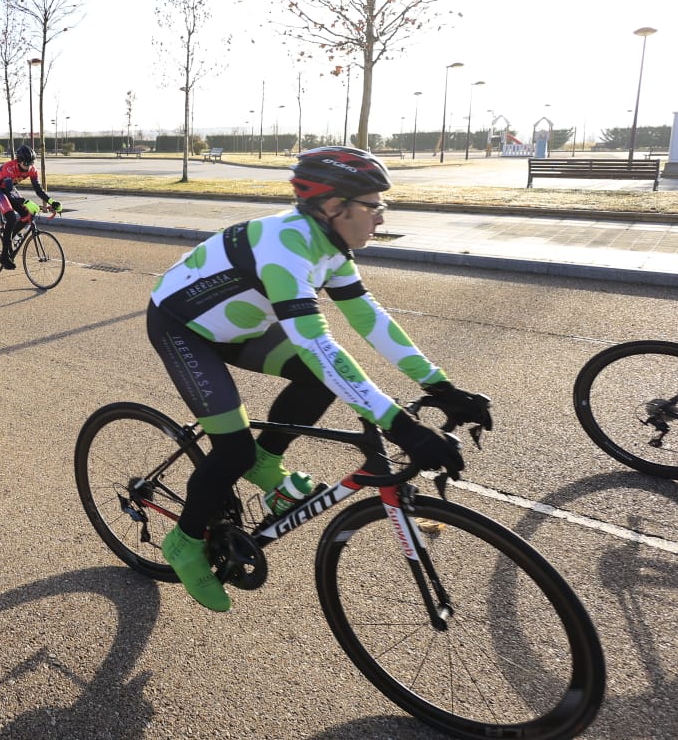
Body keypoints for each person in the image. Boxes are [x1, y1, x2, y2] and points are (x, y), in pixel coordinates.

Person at [147, 146, 492, 612]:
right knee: (232, 447)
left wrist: (440, 387)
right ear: (334, 207)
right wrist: (402, 426)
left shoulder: (329, 247)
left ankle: (266, 462)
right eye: (373, 206)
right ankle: (185, 542)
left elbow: (371, 320)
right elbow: (317, 344)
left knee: (316, 381)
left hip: (239, 328)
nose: (382, 218)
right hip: (184, 328)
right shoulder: (283, 247)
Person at [0, 144, 60, 270]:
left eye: (31, 163)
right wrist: (25, 201)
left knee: (27, 214)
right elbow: (9, 191)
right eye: (26, 164)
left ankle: (10, 236)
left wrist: (51, 201)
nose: (28, 167)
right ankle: (4, 257)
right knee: (10, 217)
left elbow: (38, 189)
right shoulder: (9, 168)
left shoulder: (32, 169)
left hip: (11, 190)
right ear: (19, 160)